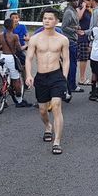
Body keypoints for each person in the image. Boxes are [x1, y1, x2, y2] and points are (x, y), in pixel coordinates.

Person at [25, 8, 70, 155]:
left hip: (56, 76)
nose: (47, 21)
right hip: (41, 77)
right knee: (43, 110)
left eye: (50, 18)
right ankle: (48, 126)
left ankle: (57, 142)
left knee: (56, 106)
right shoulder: (35, 39)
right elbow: (29, 58)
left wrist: (64, 76)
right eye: (45, 18)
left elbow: (66, 59)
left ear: (56, 21)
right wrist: (28, 75)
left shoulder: (62, 39)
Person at [0, 18, 31, 108]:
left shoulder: (1, 36)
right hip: (11, 57)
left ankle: (3, 98)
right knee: (16, 79)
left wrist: (3, 47)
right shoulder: (15, 36)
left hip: (2, 57)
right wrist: (26, 46)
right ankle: (19, 101)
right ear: (12, 26)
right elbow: (19, 49)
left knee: (3, 77)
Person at [61, 0, 83, 94]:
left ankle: (70, 84)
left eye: (77, 0)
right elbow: (64, 27)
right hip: (69, 41)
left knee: (72, 64)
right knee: (72, 64)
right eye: (74, 0)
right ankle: (71, 85)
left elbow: (73, 24)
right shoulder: (69, 12)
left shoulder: (74, 11)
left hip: (73, 39)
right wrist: (75, 30)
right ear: (69, 2)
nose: (76, 2)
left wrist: (77, 27)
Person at [77, 0, 92, 85]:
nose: (89, 1)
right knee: (83, 58)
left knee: (86, 58)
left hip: (88, 36)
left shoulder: (90, 10)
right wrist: (83, 7)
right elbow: (79, 17)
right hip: (82, 37)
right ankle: (82, 78)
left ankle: (84, 77)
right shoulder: (79, 9)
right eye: (87, 0)